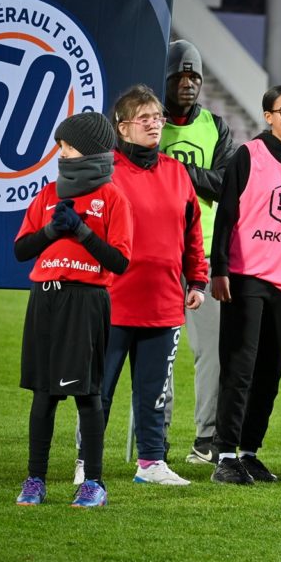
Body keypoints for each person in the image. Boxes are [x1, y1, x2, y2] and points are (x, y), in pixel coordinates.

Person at [13, 112, 133, 507]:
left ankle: (94, 483)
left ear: (90, 150)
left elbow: (119, 261)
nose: (61, 153)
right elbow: (21, 250)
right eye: (60, 146)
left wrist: (81, 232)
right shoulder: (48, 195)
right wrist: (51, 231)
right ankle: (35, 479)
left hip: (85, 301)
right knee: (43, 395)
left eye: (67, 146)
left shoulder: (113, 197)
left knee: (87, 394)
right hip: (44, 298)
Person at [209, 84, 281, 485]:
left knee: (270, 373)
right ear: (269, 117)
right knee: (239, 369)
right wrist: (219, 269)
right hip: (246, 277)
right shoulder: (249, 155)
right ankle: (225, 454)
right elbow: (226, 215)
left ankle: (250, 452)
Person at [97, 84, 208, 487]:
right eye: (144, 118)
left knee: (154, 392)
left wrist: (198, 279)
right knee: (98, 391)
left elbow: (192, 232)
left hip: (164, 302)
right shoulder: (104, 171)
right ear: (122, 127)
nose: (154, 124)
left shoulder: (177, 173)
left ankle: (151, 463)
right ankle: (87, 462)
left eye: (157, 117)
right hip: (111, 300)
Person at [159, 39, 236, 466]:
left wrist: (176, 171)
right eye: (179, 76)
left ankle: (206, 438)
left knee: (212, 354)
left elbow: (227, 185)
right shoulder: (149, 123)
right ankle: (155, 438)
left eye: (195, 77)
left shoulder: (215, 126)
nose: (188, 84)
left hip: (201, 257)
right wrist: (198, 176)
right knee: (159, 354)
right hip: (156, 257)